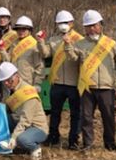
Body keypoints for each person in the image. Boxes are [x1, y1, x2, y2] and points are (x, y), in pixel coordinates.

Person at [65, 10, 116, 151]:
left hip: (106, 86)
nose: (92, 29)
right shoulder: (80, 44)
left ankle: (110, 144)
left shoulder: (111, 43)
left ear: (101, 25)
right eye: (88, 26)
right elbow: (72, 58)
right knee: (86, 117)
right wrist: (68, 45)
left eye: (94, 25)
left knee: (108, 117)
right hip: (87, 87)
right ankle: (87, 144)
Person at [36, 10, 84, 149]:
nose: (63, 25)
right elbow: (45, 54)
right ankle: (53, 137)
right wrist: (41, 42)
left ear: (72, 23)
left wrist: (69, 44)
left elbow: (77, 59)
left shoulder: (79, 40)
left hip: (74, 82)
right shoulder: (54, 40)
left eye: (66, 22)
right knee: (55, 112)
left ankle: (73, 140)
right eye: (60, 23)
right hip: (57, 82)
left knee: (75, 113)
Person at [0, 62, 48, 160]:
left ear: (17, 76)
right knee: (2, 118)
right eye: (4, 81)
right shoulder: (9, 90)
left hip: (36, 127)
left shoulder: (28, 92)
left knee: (22, 139)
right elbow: (4, 107)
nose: (6, 83)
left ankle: (35, 148)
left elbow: (25, 120)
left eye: (9, 80)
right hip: (17, 121)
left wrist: (14, 137)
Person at [8, 16, 44, 89]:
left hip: (27, 82)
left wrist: (37, 84)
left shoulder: (34, 45)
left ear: (29, 31)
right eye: (19, 29)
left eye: (24, 29)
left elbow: (39, 66)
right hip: (13, 83)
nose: (21, 32)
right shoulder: (13, 45)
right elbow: (9, 61)